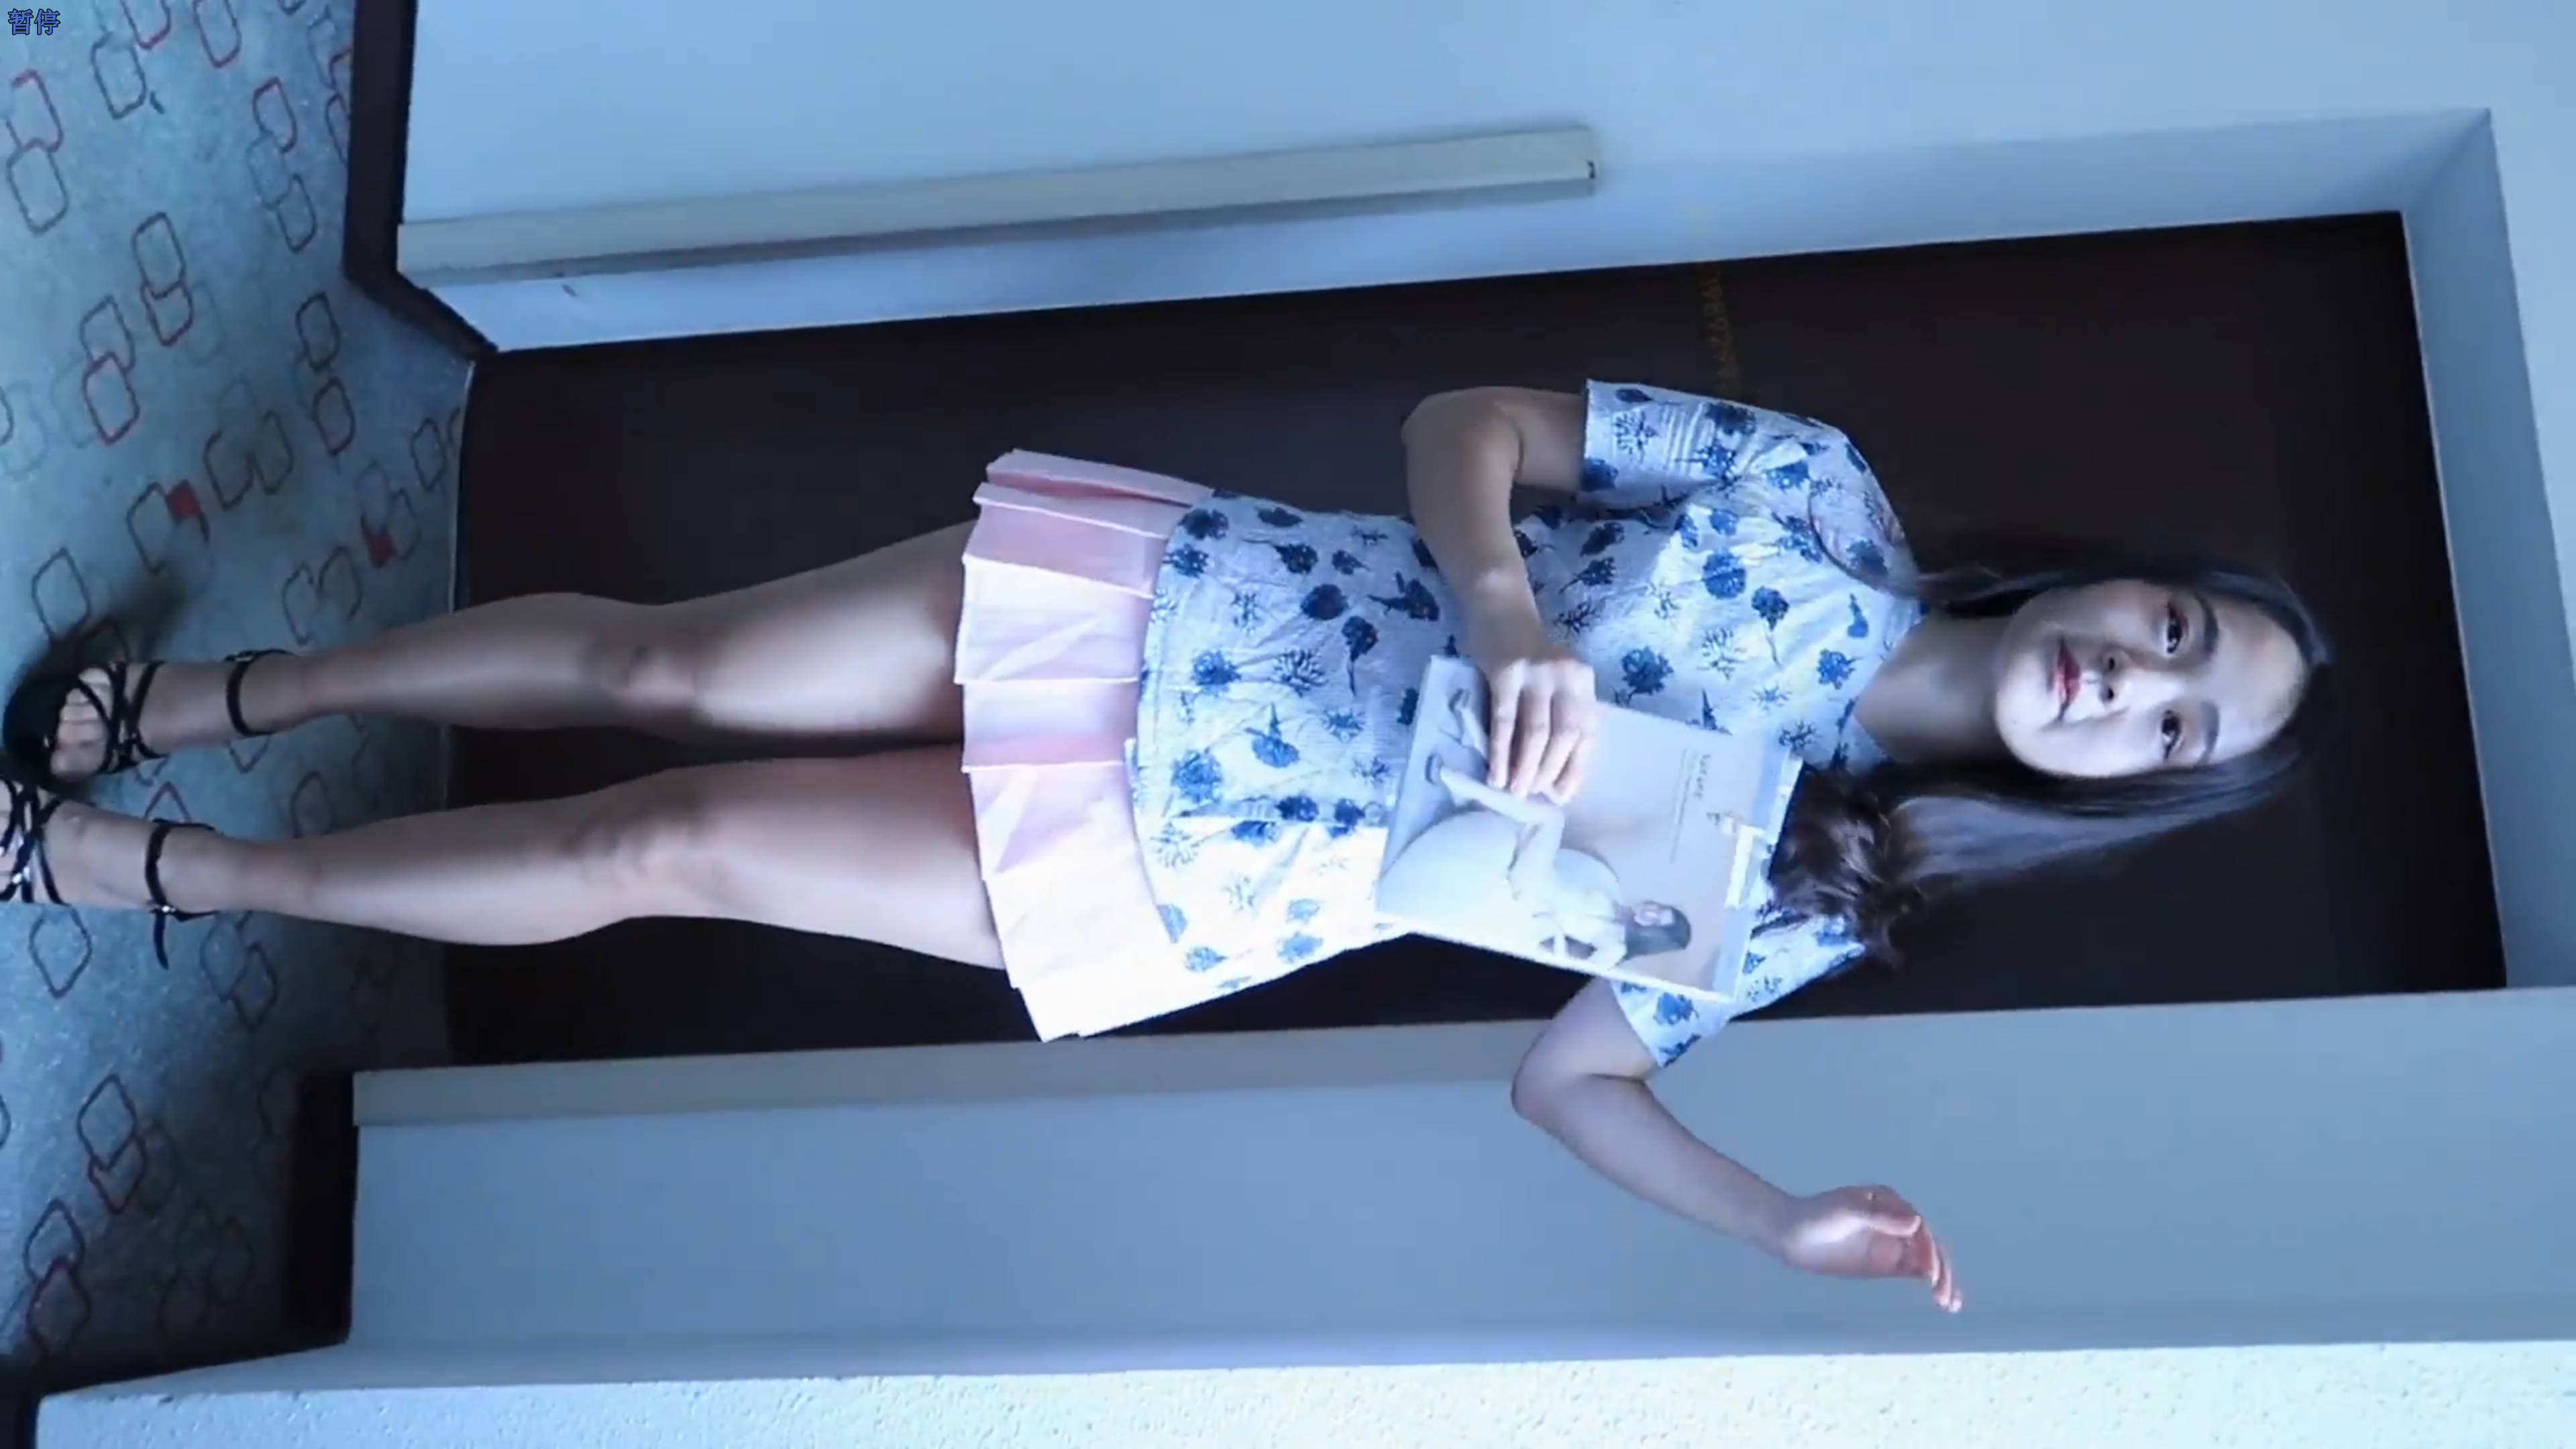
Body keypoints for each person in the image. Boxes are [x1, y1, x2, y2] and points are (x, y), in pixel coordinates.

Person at [0, 382, 2328, 1314]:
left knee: (659, 841)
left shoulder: (1840, 884)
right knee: (662, 672)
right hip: (1185, 609)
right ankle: (230, 698)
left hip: (1198, 872)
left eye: (2180, 730)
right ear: (2127, 580)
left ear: (2133, 792)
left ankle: (164, 876)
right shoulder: (1813, 499)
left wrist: (1778, 1219)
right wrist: (1504, 604)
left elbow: (1572, 1077)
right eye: (2174, 635)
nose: (2134, 687)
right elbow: (1472, 423)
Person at [1377, 692, 1693, 969]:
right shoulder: (1615, 893)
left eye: (1655, 921)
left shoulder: (1615, 946)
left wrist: (1554, 937)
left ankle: (1458, 782)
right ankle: (1478, 743)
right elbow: (1572, 866)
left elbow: (1566, 967)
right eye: (1658, 909)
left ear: (1652, 937)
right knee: (1539, 798)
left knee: (1551, 819)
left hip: (1530, 894)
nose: (1650, 912)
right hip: (1538, 871)